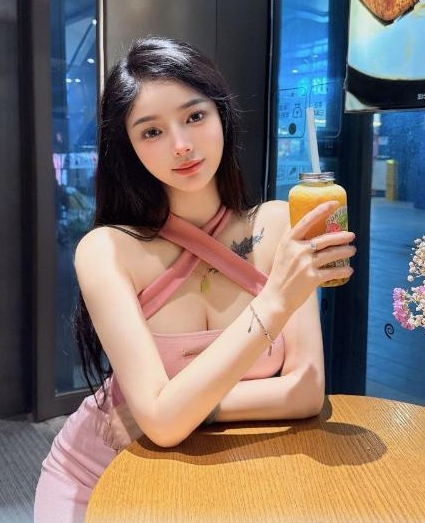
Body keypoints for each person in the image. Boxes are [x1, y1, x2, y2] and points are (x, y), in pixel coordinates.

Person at [34, 36, 356, 522]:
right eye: (151, 131)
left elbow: (307, 394)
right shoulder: (106, 250)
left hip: (227, 465)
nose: (181, 145)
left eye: (194, 116)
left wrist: (173, 408)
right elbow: (163, 426)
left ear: (221, 114)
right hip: (102, 469)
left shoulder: (277, 225)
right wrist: (275, 301)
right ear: (129, 147)